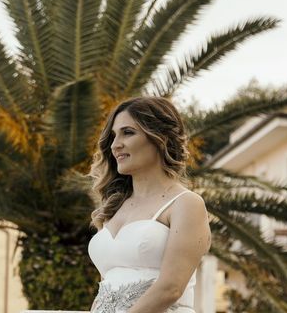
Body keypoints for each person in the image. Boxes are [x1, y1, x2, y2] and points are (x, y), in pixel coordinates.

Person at [87, 96, 211, 313]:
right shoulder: (112, 209)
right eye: (114, 136)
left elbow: (171, 288)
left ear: (159, 138)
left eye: (128, 132)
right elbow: (107, 287)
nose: (116, 145)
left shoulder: (186, 204)